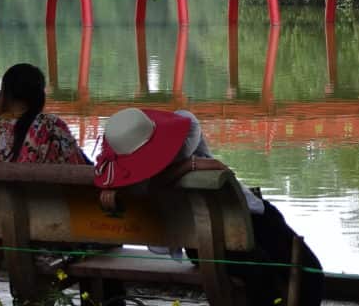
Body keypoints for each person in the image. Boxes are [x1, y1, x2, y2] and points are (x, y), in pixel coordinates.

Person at [95, 108, 323, 306]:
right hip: (229, 229)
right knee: (294, 274)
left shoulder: (135, 180)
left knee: (288, 272)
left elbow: (155, 184)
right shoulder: (186, 133)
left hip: (208, 240)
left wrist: (119, 184)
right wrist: (190, 165)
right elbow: (213, 169)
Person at [0, 63, 87, 164]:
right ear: (39, 95)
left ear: (5, 94)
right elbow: (79, 166)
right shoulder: (53, 126)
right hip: (46, 185)